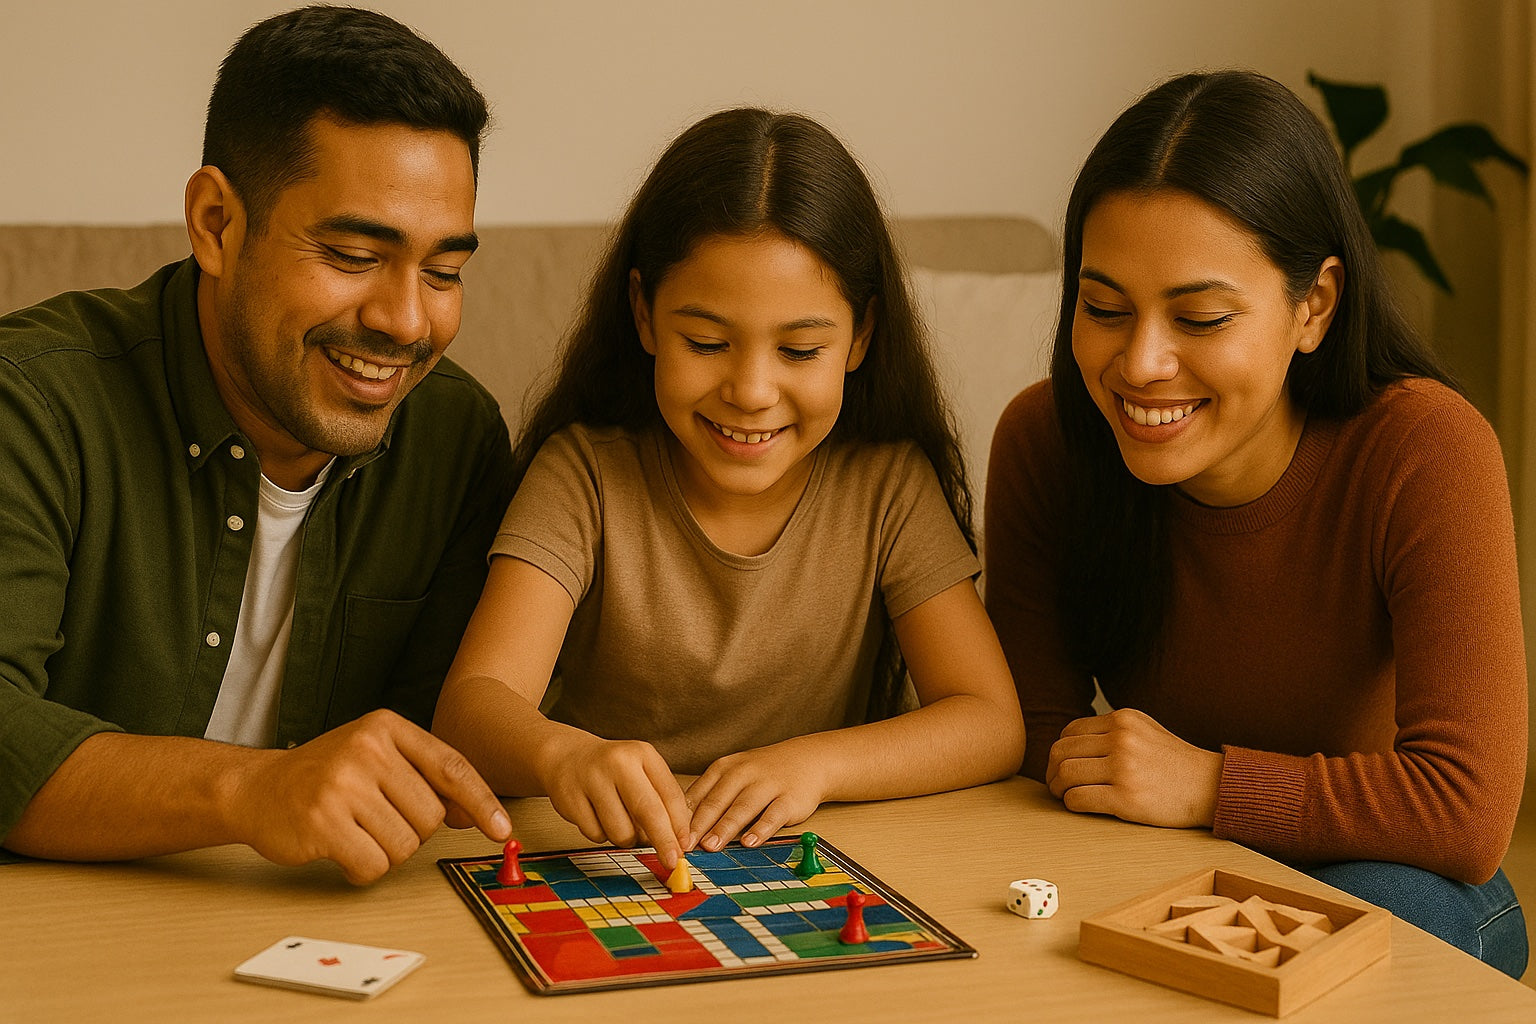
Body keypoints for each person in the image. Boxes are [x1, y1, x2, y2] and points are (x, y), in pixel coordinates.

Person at [985, 69, 1528, 976]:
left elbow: (1464, 812)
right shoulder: (1045, 442)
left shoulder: (1426, 449)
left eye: (1199, 317)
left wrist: (1206, 783)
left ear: (1314, 304)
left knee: (1388, 918)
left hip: (1396, 870)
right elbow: (1034, 740)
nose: (1140, 363)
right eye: (1103, 308)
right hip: (1164, 863)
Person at [0, 6, 515, 884]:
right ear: (215, 224)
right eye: (354, 253)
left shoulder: (455, 439)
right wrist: (252, 790)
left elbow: (450, 744)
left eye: (445, 271)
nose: (406, 321)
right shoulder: (34, 403)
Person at [433, 108, 1025, 871]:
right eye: (706, 342)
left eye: (800, 348)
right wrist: (563, 757)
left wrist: (814, 766)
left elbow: (991, 721)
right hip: (610, 865)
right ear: (643, 314)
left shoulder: (888, 486)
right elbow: (472, 702)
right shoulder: (584, 473)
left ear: (862, 337)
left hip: (808, 864)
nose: (750, 390)